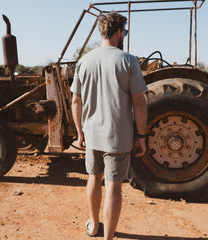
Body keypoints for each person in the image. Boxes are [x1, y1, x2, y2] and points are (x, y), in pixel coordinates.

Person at [70, 11, 148, 240]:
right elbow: (140, 103)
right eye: (124, 31)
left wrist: (79, 132)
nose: (124, 34)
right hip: (118, 135)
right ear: (118, 32)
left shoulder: (84, 61)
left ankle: (94, 226)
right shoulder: (128, 60)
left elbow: (76, 100)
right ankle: (108, 237)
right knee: (113, 186)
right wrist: (141, 136)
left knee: (94, 177)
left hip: (92, 134)